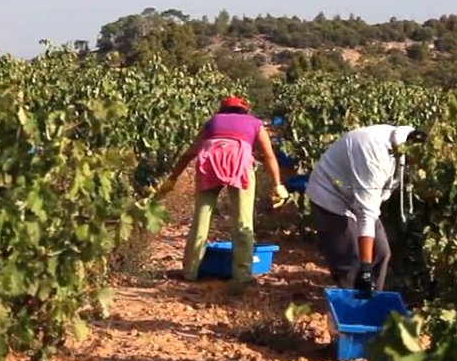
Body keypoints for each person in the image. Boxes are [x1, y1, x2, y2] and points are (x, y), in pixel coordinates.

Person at [158, 96, 288, 283]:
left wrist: (172, 178)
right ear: (245, 109)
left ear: (222, 109)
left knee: (201, 219)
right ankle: (242, 276)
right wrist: (277, 184)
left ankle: (190, 272)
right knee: (243, 221)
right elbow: (268, 155)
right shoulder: (255, 123)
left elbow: (189, 153)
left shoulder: (213, 121)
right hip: (239, 164)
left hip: (210, 163)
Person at [304, 124, 426, 297]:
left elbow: (371, 204)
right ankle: (351, 306)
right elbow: (367, 215)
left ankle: (372, 301)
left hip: (354, 193)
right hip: (330, 193)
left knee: (381, 252)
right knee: (350, 261)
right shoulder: (375, 155)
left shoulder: (401, 145)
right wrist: (366, 268)